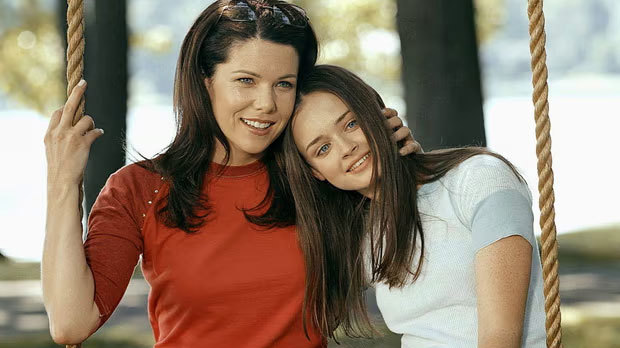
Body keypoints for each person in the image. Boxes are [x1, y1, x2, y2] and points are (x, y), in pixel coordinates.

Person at [42, 1, 416, 347]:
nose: (266, 104)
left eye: (283, 84)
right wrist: (62, 181)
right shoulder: (140, 189)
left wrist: (392, 163)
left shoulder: (316, 174)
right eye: (245, 81)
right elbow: (70, 323)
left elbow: (423, 236)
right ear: (206, 81)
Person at [282, 65, 547, 348]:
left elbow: (501, 340)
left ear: (382, 115)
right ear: (316, 172)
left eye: (351, 124)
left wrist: (410, 173)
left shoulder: (480, 179)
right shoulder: (362, 233)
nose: (346, 147)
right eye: (322, 149)